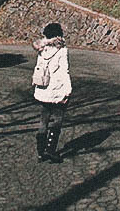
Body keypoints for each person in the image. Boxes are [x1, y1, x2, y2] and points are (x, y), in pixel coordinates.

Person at [32, 22, 71, 162]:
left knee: (44, 119)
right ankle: (50, 149)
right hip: (57, 90)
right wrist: (67, 91)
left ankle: (40, 152)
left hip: (43, 89)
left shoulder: (42, 49)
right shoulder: (62, 50)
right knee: (58, 118)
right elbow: (64, 71)